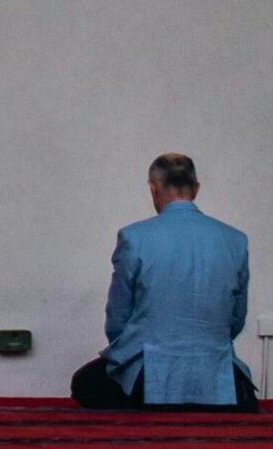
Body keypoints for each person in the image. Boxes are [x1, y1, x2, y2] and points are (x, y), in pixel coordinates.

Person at [69, 153, 258, 411]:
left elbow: (117, 319)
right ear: (196, 189)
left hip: (149, 379)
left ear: (153, 188)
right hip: (217, 378)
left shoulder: (134, 237)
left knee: (83, 383)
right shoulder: (235, 240)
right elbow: (236, 319)